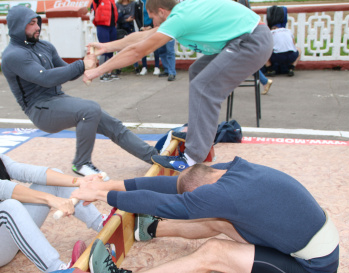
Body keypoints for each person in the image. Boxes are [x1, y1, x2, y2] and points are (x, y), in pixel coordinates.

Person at [71, 158, 339, 273]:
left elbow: (163, 203)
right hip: (301, 244)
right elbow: (171, 187)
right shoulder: (230, 170)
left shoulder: (220, 196)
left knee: (215, 251)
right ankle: (150, 229)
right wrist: (106, 185)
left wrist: (100, 196)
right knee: (220, 219)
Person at [83, 0, 273, 172]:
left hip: (251, 41)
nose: (153, 23)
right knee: (197, 71)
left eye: (153, 18)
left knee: (204, 86)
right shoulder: (181, 14)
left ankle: (191, 157)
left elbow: (137, 51)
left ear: (162, 11)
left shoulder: (180, 19)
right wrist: (106, 47)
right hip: (244, 37)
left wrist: (98, 70)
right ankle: (200, 135)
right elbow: (141, 38)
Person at [1, 5, 158, 179]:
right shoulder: (13, 55)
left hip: (57, 100)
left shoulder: (44, 46)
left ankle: (153, 156)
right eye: (31, 23)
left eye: (37, 21)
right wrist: (81, 64)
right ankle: (81, 163)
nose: (38, 27)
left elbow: (66, 72)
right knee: (89, 109)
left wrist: (88, 62)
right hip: (39, 110)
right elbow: (45, 78)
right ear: (18, 26)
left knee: (110, 123)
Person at [0, 97, 105, 273]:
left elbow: (26, 171)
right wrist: (51, 200)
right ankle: (58, 270)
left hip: (12, 234)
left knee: (52, 177)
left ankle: (101, 223)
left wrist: (80, 181)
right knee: (9, 205)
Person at [91, 0, 120, 82]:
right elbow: (92, 13)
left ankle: (110, 72)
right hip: (102, 26)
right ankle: (102, 74)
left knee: (111, 50)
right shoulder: (97, 1)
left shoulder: (112, 1)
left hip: (112, 26)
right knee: (104, 50)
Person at [116, 0, 141, 74]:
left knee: (133, 47)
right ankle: (119, 67)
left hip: (130, 27)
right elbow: (117, 17)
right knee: (119, 48)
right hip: (120, 27)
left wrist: (123, 18)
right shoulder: (117, 4)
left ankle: (136, 66)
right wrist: (126, 19)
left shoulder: (133, 3)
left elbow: (132, 15)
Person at [139, 0, 161, 76]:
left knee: (155, 47)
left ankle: (157, 67)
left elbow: (156, 15)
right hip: (142, 28)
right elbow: (137, 16)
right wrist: (141, 27)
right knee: (143, 47)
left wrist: (151, 26)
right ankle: (144, 67)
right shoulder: (139, 2)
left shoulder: (153, 2)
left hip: (152, 26)